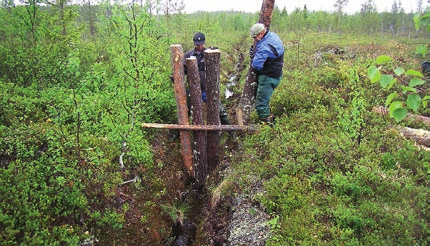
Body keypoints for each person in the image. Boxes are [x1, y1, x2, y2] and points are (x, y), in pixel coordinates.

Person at [183, 32, 232, 126]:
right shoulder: (188, 55)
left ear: (204, 43)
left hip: (208, 89)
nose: (199, 46)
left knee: (220, 110)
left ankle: (231, 131)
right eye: (197, 45)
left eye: (201, 44)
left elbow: (215, 69)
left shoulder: (208, 54)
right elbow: (183, 70)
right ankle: (177, 133)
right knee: (186, 111)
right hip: (193, 89)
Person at [249, 23, 284, 125]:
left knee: (261, 104)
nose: (255, 39)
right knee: (265, 99)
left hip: (268, 77)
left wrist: (253, 56)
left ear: (261, 33)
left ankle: (267, 125)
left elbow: (257, 65)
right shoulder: (273, 36)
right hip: (277, 75)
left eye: (256, 37)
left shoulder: (264, 46)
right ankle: (271, 119)